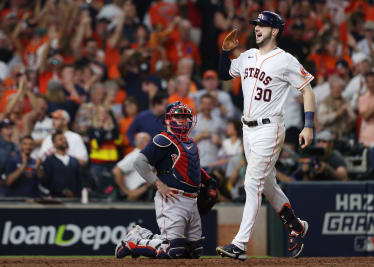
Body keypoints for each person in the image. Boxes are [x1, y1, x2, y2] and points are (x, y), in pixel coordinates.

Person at [216, 11, 316, 259]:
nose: (257, 28)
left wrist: (309, 125)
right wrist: (225, 51)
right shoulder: (248, 55)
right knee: (267, 183)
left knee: (252, 182)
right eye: (256, 25)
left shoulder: (286, 60)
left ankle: (240, 245)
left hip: (270, 129)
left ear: (275, 31)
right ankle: (296, 225)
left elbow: (308, 90)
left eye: (263, 25)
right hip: (247, 130)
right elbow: (224, 74)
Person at [115, 102, 215, 259]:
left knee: (193, 251)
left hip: (192, 200)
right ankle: (132, 241)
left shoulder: (190, 142)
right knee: (171, 250)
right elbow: (139, 162)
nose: (183, 120)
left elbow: (190, 166)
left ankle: (142, 235)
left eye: (185, 116)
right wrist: (158, 184)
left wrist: (209, 181)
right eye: (178, 116)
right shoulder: (163, 139)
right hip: (172, 197)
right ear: (168, 119)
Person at [39, 131, 83, 199]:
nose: (64, 141)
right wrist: (61, 191)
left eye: (65, 139)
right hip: (56, 201)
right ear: (54, 144)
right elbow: (46, 182)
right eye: (60, 139)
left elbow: (79, 181)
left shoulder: (74, 161)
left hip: (73, 200)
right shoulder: (49, 161)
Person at [112, 132, 152, 201]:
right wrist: (127, 192)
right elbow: (116, 171)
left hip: (146, 192)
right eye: (148, 141)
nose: (151, 144)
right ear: (141, 142)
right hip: (136, 195)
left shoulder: (146, 155)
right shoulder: (135, 155)